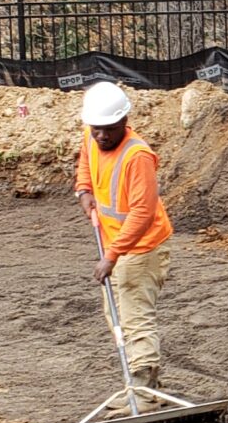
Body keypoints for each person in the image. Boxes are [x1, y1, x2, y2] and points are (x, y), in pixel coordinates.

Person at [74, 81, 173, 387]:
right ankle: (147, 385)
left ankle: (141, 389)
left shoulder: (137, 157)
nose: (102, 136)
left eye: (110, 129)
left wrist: (112, 256)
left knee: (133, 316)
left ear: (125, 122)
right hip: (113, 243)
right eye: (97, 129)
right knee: (115, 312)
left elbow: (142, 214)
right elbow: (85, 164)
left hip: (141, 248)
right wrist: (83, 191)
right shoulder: (94, 136)